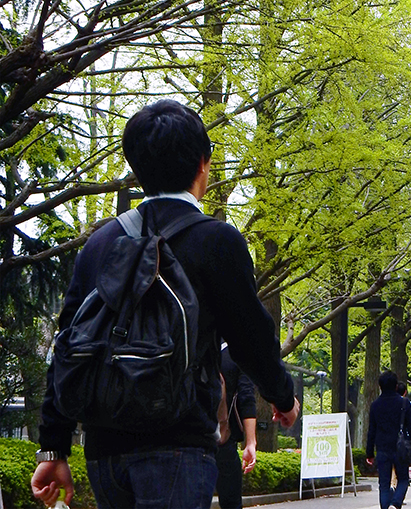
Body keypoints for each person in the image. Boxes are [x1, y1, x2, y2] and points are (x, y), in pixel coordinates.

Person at [31, 100, 300, 509]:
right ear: (203, 165)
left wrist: (53, 449)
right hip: (179, 445)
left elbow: (67, 348)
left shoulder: (101, 244)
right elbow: (250, 337)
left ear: (137, 168)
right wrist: (283, 397)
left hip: (104, 449)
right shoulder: (217, 241)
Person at [366, 370, 411, 509]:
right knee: (403, 479)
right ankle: (395, 504)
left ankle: (385, 507)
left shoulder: (375, 405)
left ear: (380, 386)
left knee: (384, 484)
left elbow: (371, 431)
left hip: (382, 448)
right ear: (396, 386)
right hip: (400, 448)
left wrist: (369, 453)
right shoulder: (404, 403)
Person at [216, 343, 258, 509]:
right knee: (231, 502)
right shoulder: (236, 349)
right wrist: (250, 442)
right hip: (221, 440)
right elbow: (246, 396)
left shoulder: (185, 335)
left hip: (183, 440)